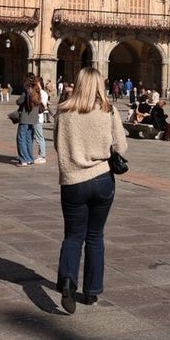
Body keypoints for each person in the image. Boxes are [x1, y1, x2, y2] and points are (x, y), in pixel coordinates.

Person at [54, 66, 127, 314]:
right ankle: (92, 291)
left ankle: (67, 281)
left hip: (73, 180)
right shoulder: (109, 111)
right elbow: (121, 147)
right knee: (95, 236)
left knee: (73, 236)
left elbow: (58, 145)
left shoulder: (64, 111)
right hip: (103, 179)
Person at [16, 74, 43, 166]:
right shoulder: (37, 90)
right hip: (34, 118)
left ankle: (23, 159)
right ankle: (30, 159)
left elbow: (19, 101)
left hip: (25, 117)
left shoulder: (27, 90)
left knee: (21, 138)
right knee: (29, 138)